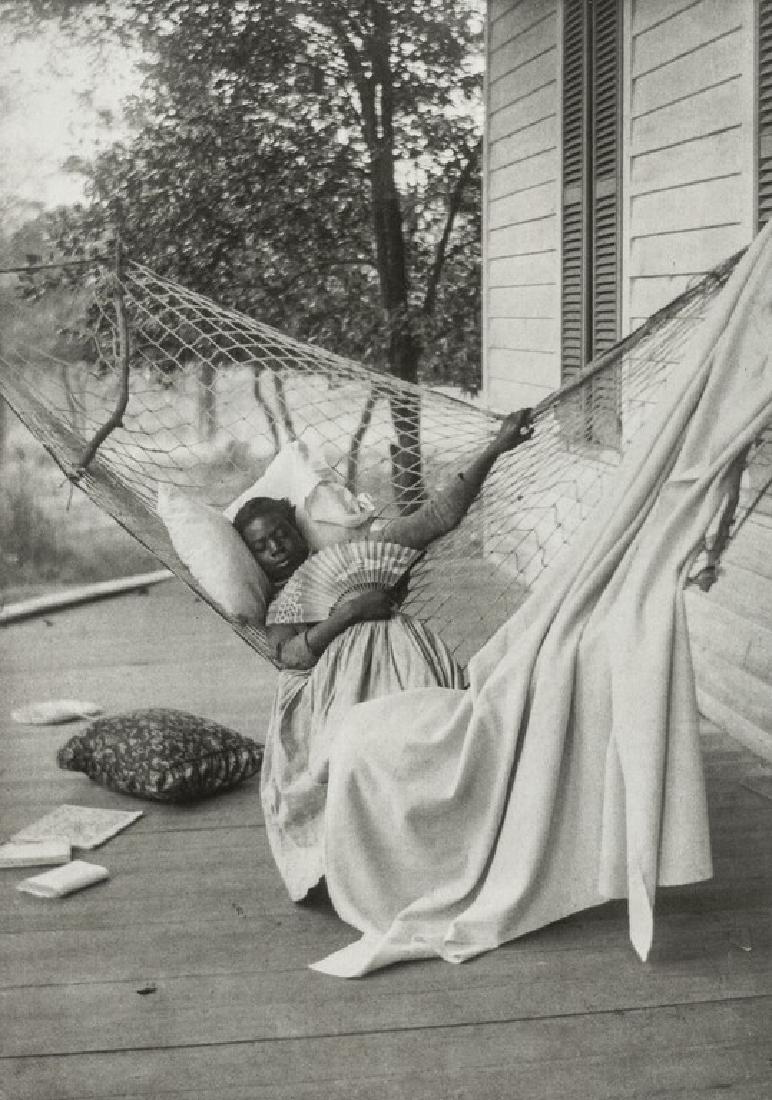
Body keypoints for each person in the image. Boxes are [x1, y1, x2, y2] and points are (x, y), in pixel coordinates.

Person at [233, 408, 534, 901]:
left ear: (298, 527)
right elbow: (291, 656)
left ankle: (449, 851)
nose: (277, 547)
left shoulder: (363, 552)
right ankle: (382, 861)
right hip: (341, 683)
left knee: (445, 736)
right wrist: (349, 613)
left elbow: (441, 516)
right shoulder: (283, 602)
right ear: (256, 559)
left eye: (281, 533)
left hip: (405, 654)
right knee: (359, 755)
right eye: (263, 546)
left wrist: (495, 448)